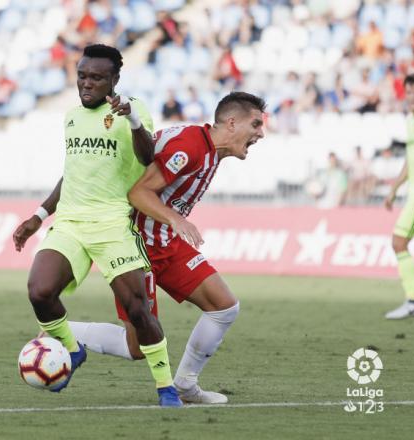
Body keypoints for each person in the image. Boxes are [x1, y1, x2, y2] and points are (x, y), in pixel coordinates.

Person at [17, 91, 266, 404]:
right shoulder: (189, 147)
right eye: (255, 124)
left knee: (224, 307)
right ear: (231, 123)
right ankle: (65, 333)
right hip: (135, 244)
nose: (261, 133)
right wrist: (177, 219)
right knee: (137, 347)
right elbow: (139, 194)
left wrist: (171, 223)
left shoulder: (207, 149)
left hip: (165, 241)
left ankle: (186, 385)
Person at [13, 44, 182, 407]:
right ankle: (74, 351)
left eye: (97, 78)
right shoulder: (72, 116)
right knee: (39, 291)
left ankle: (165, 386)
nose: (87, 84)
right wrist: (39, 216)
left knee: (138, 310)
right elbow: (72, 173)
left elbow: (147, 156)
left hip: (112, 226)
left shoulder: (132, 111)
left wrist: (133, 119)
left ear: (114, 80)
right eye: (82, 76)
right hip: (71, 223)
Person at [383, 74, 414, 320]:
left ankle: (413, 301)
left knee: (399, 243)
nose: (413, 96)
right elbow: (411, 161)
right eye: (409, 92)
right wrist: (394, 188)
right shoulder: (412, 120)